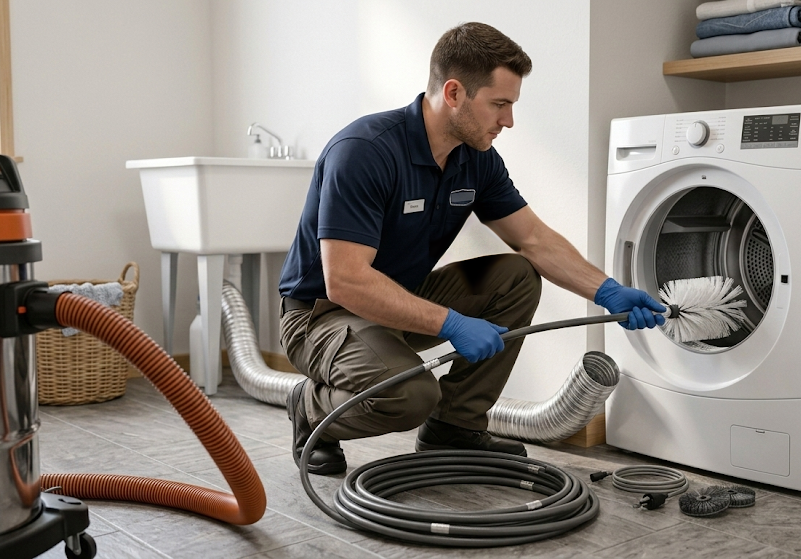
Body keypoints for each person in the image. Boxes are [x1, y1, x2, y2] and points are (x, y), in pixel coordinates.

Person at [278, 22, 666, 475]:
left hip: (401, 294)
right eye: (499, 104)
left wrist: (607, 289)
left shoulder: (475, 158)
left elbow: (533, 239)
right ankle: (309, 409)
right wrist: (451, 321)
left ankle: (455, 428)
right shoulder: (365, 151)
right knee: (412, 394)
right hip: (321, 313)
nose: (508, 120)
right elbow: (344, 280)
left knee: (516, 277)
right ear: (455, 92)